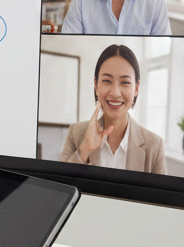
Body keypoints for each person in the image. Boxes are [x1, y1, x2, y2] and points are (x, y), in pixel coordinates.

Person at [59, 43, 166, 173]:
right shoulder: (75, 133)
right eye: (107, 81)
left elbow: (158, 194)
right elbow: (61, 188)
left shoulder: (154, 146)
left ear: (136, 88)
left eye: (125, 82)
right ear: (96, 86)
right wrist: (84, 150)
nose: (115, 92)